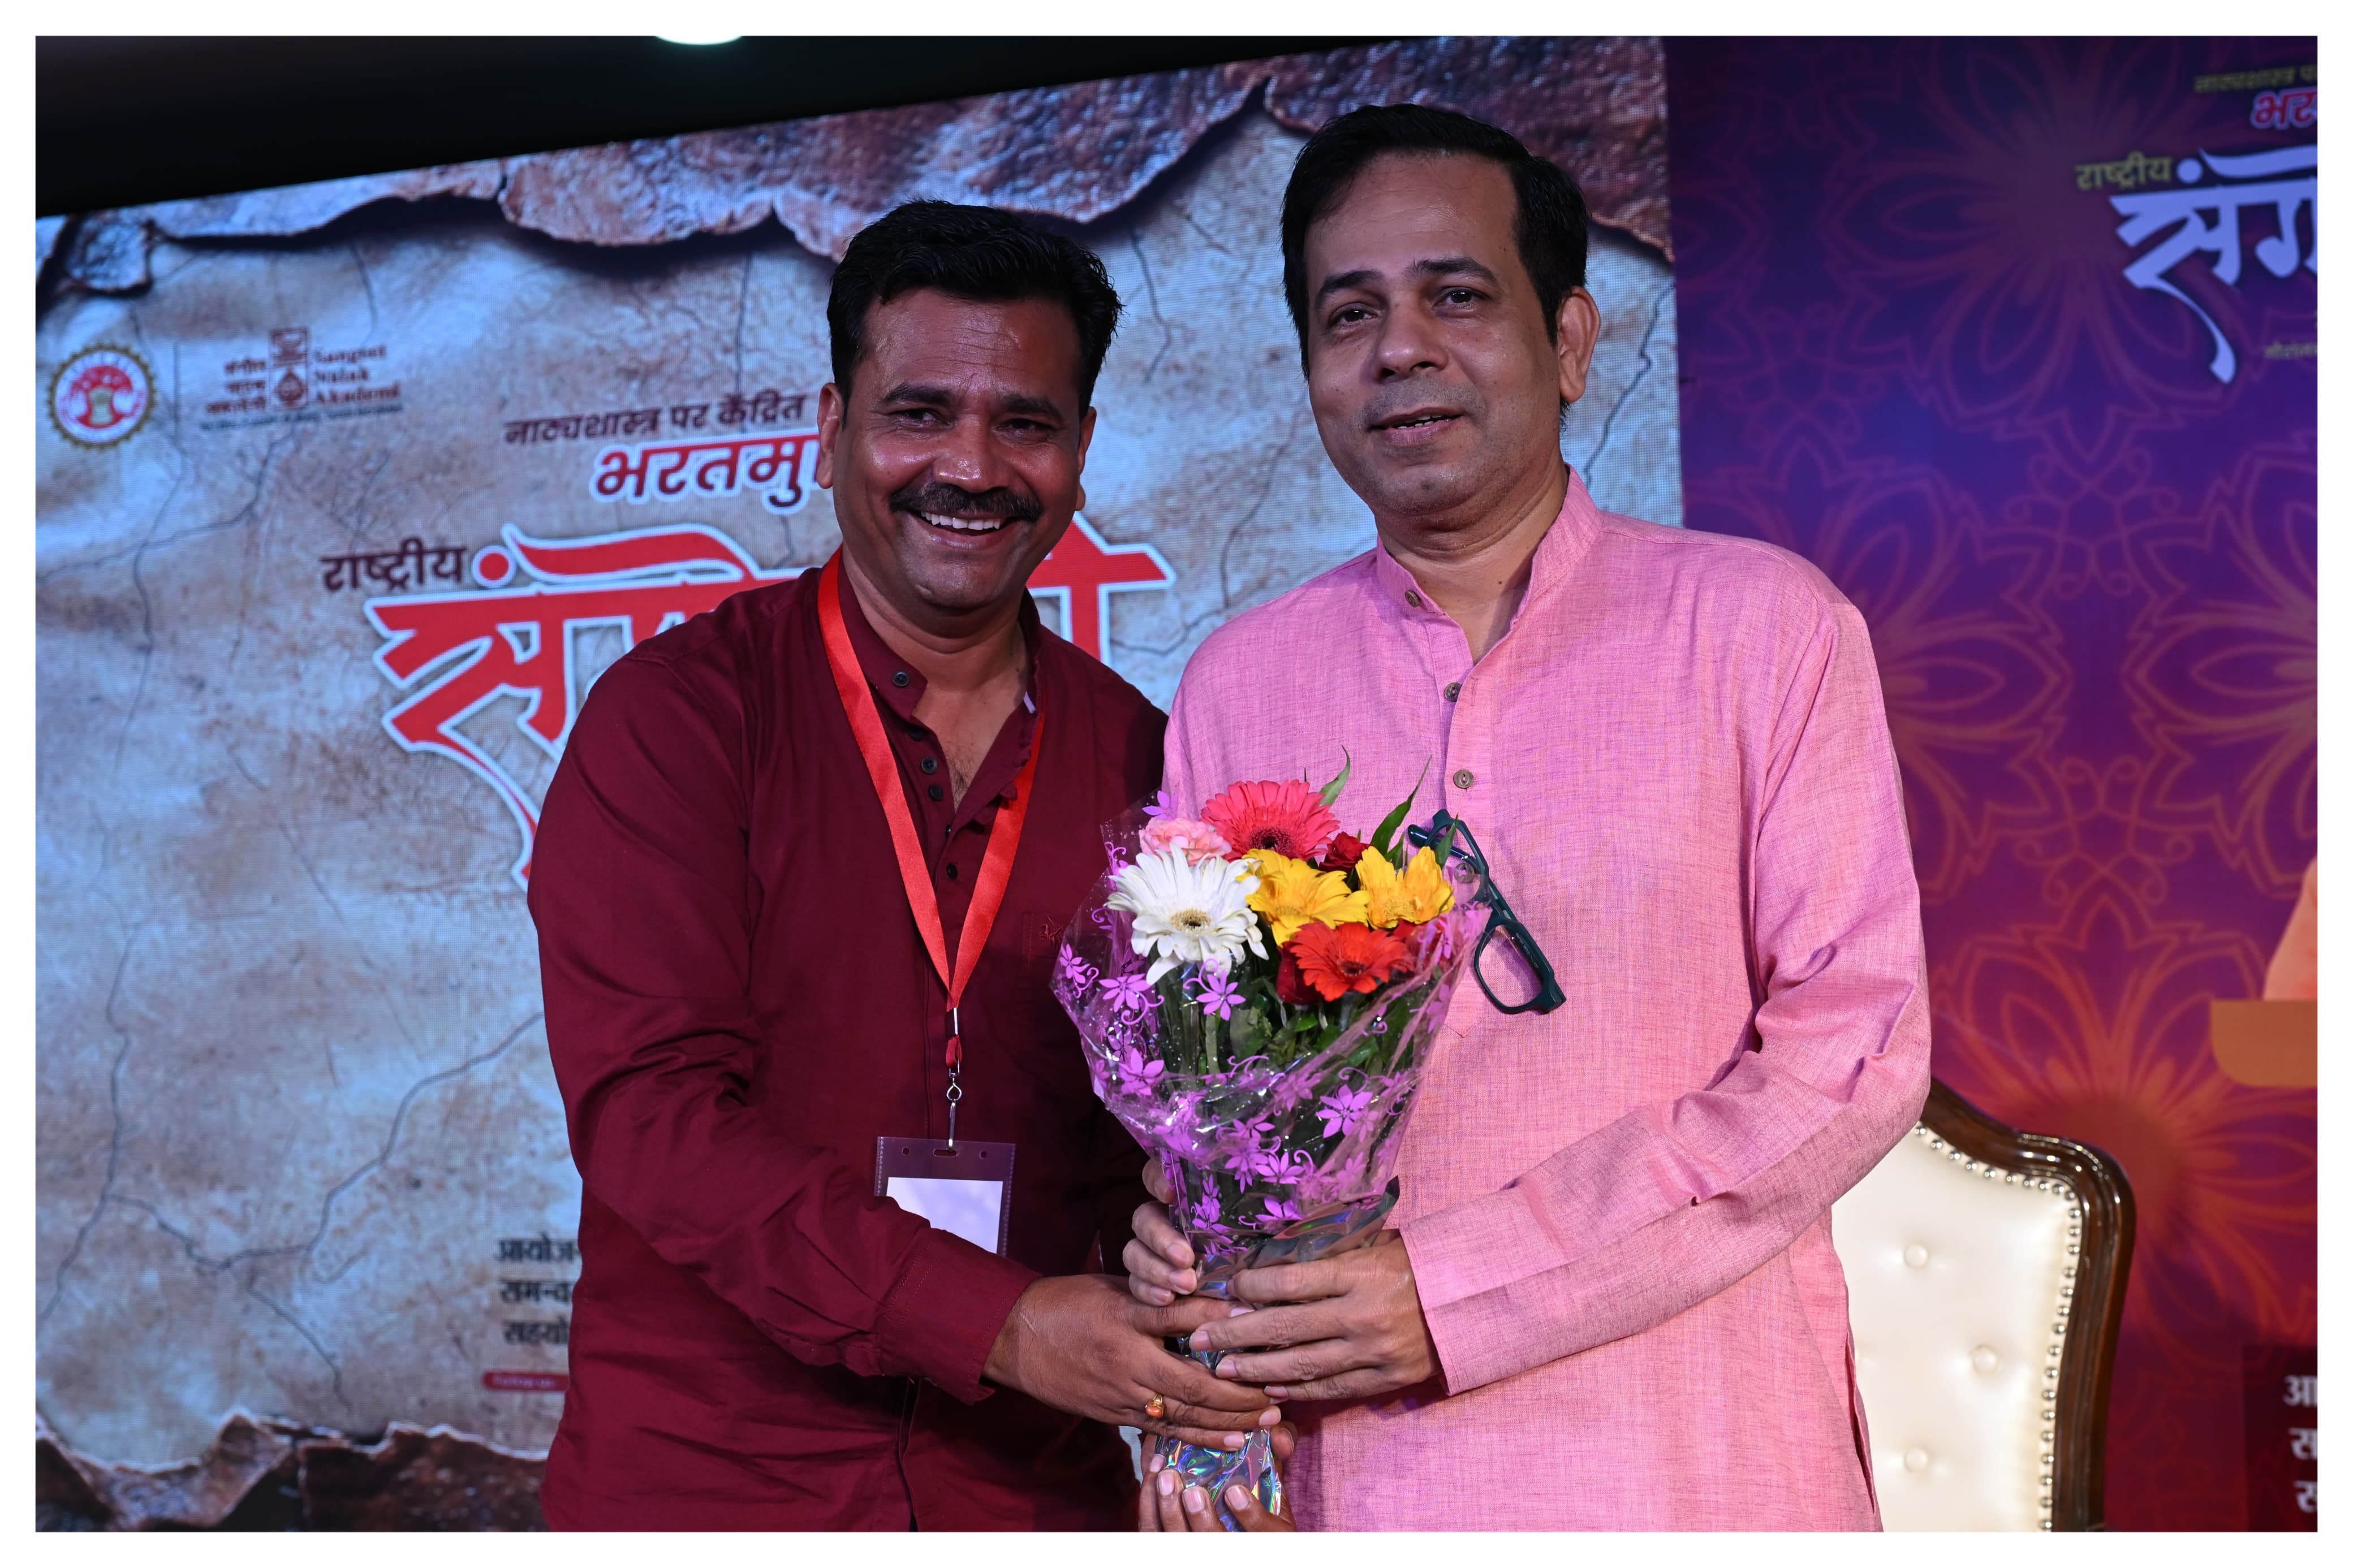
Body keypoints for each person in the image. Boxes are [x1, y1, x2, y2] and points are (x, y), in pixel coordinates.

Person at [1124, 105, 1932, 1530]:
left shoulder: (1761, 626)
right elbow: (1206, 1078)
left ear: (1567, 342)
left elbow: (1851, 1057)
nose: (1399, 350)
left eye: (1456, 296)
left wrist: (1460, 1290)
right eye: (1348, 314)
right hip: (1348, 1475)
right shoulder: (1240, 679)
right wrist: (1183, 1242)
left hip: (1689, 1460)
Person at [527, 200, 1278, 1530]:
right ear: (832, 429)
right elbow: (655, 1118)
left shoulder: (1145, 758)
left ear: (1081, 451)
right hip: (711, 1485)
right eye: (920, 413)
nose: (971, 466)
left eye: (1024, 423)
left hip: (1030, 1493)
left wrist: (1205, 1322)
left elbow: (1164, 1132)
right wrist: (1000, 1323)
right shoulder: (683, 717)